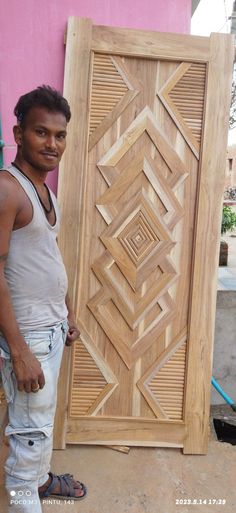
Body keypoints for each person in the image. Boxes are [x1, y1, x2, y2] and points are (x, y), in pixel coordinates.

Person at [0, 85, 87, 512]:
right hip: (28, 338)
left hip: (51, 330)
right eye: (41, 133)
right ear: (18, 134)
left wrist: (66, 311)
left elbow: (45, 254)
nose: (52, 144)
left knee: (40, 422)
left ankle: (41, 481)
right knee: (28, 435)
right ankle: (24, 496)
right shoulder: (7, 189)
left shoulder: (44, 190)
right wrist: (18, 351)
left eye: (60, 135)